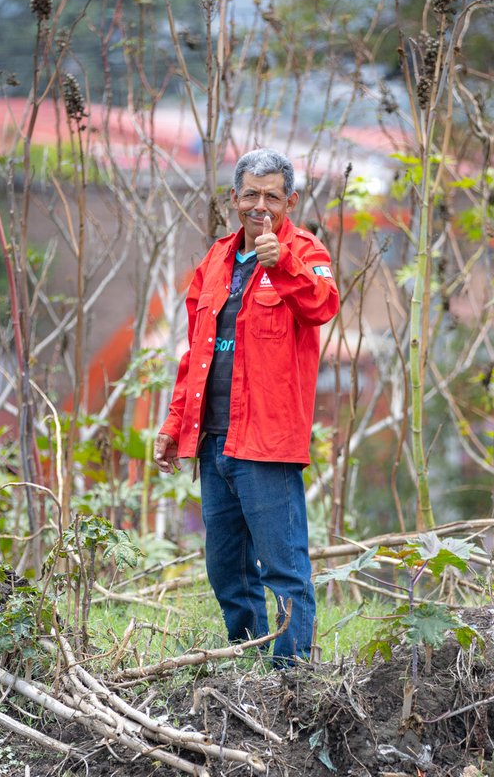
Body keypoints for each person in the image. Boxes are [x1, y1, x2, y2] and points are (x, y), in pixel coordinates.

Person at [153, 148, 340, 664]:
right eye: (251, 194)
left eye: (272, 196)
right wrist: (174, 426)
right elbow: (195, 352)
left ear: (290, 201)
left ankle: (293, 679)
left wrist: (285, 267)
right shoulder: (215, 260)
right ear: (234, 199)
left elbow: (325, 305)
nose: (261, 205)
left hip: (267, 443)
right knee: (227, 569)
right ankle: (251, 667)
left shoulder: (304, 250)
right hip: (214, 440)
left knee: (284, 569)